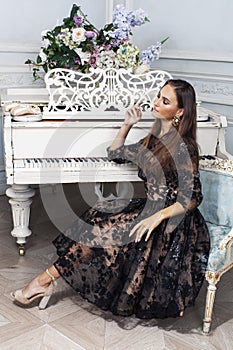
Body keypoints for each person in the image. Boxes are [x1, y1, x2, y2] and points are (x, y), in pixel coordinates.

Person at [11, 79, 210, 319]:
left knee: (103, 232)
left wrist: (155, 217)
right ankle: (48, 280)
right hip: (151, 209)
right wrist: (127, 124)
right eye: (157, 96)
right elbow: (115, 154)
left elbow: (193, 198)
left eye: (164, 101)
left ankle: (43, 281)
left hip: (171, 222)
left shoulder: (184, 147)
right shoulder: (155, 138)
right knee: (99, 215)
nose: (155, 102)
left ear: (180, 112)